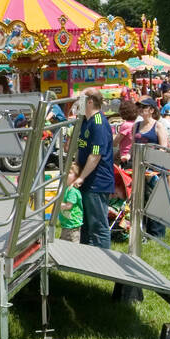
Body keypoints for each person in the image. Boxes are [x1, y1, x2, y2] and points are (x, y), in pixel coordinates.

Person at [72, 90, 114, 249]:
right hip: (86, 179)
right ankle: (86, 255)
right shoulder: (85, 121)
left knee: (98, 225)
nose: (77, 103)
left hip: (97, 181)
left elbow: (95, 155)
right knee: (86, 224)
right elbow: (80, 148)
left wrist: (81, 177)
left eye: (80, 99)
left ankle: (103, 257)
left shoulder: (98, 122)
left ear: (89, 101)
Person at [57, 165, 84, 243]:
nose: (65, 174)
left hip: (73, 226)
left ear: (76, 177)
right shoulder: (66, 189)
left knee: (72, 245)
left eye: (69, 172)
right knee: (64, 243)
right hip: (66, 224)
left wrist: (57, 204)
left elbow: (69, 206)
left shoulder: (72, 191)